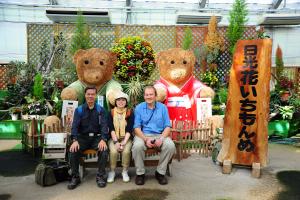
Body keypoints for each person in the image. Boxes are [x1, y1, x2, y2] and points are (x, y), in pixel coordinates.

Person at [132, 85, 176, 185]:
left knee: (170, 146)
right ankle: (140, 174)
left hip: (159, 134)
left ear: (155, 96)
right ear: (144, 96)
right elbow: (137, 127)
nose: (149, 97)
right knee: (137, 146)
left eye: (151, 94)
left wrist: (161, 138)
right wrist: (145, 139)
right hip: (143, 134)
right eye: (147, 95)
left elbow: (167, 126)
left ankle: (160, 172)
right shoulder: (139, 108)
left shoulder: (163, 108)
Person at [68, 86, 109, 190]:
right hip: (83, 138)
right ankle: (75, 176)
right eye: (88, 94)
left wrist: (104, 140)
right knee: (73, 150)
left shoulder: (101, 110)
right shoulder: (79, 110)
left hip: (96, 138)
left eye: (92, 94)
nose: (90, 96)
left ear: (95, 96)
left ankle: (100, 176)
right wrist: (74, 140)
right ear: (85, 95)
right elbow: (75, 127)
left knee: (104, 150)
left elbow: (104, 126)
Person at [107, 91, 134, 183]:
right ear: (115, 101)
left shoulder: (129, 112)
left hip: (126, 138)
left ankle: (124, 171)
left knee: (126, 151)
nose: (121, 102)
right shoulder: (111, 113)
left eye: (123, 100)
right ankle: (112, 171)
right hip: (113, 138)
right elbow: (111, 128)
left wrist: (124, 142)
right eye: (119, 100)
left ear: (126, 102)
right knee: (114, 152)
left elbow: (130, 129)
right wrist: (116, 142)